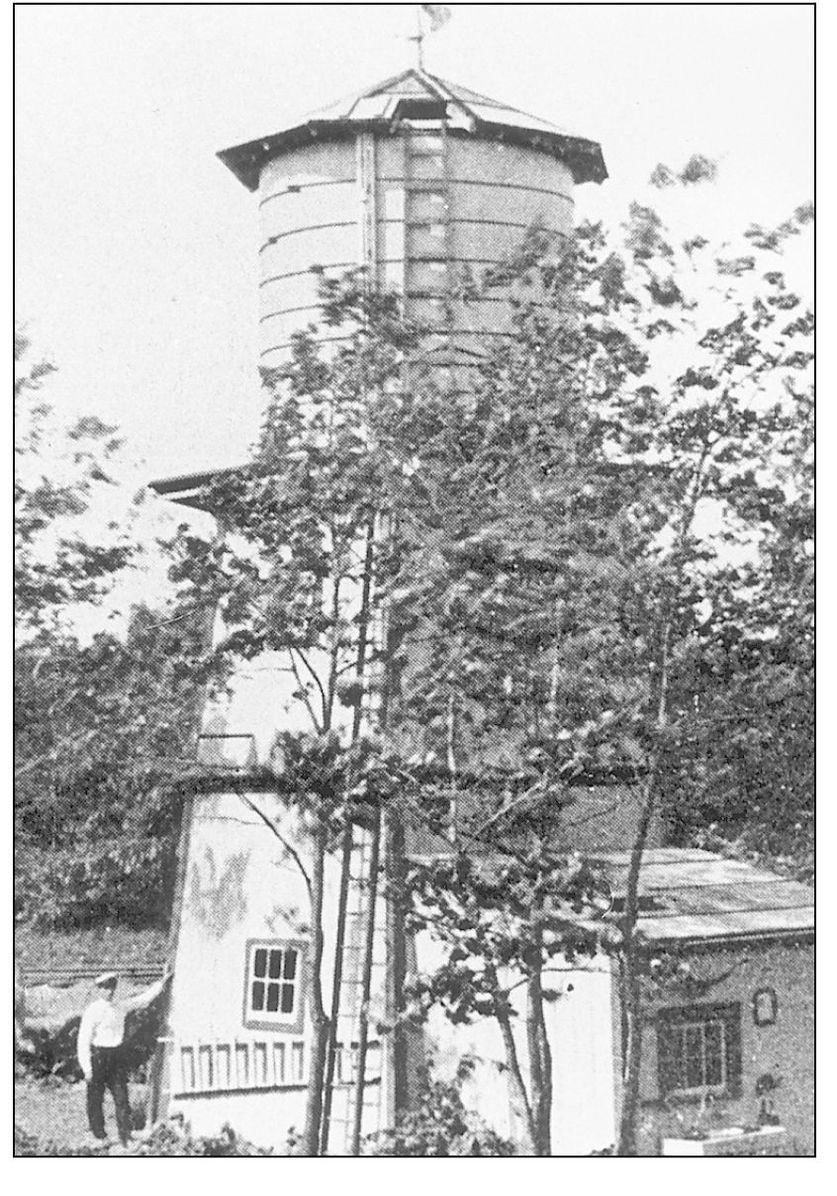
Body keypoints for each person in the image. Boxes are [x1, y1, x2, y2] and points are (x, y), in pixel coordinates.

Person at [77, 967, 172, 1145]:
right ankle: (99, 1135)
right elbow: (83, 1040)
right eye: (104, 987)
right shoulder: (93, 1010)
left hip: (116, 1056)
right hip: (98, 1056)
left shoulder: (120, 1006)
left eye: (112, 986)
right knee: (95, 1097)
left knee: (122, 1097)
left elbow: (143, 1000)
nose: (109, 991)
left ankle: (125, 1135)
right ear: (98, 989)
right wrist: (87, 1068)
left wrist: (161, 983)